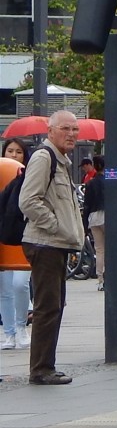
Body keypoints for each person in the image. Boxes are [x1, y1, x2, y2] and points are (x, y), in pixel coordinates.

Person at [20, 110, 85, 385]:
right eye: (66, 129)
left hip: (55, 244)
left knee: (54, 306)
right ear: (51, 131)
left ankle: (46, 365)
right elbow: (28, 201)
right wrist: (56, 226)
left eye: (75, 130)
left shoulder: (62, 162)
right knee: (48, 307)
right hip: (44, 242)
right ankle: (41, 369)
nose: (71, 134)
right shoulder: (43, 158)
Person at [0, 138, 31, 352]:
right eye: (10, 150)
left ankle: (21, 326)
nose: (13, 155)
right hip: (4, 235)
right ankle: (9, 332)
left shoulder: (28, 176)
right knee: (5, 289)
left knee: (20, 283)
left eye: (18, 151)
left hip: (23, 236)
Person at [82, 155, 106, 291]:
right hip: (107, 215)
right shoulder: (109, 181)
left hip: (93, 217)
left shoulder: (90, 183)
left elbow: (86, 205)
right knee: (110, 249)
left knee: (99, 249)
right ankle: (109, 276)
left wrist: (84, 225)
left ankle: (100, 279)